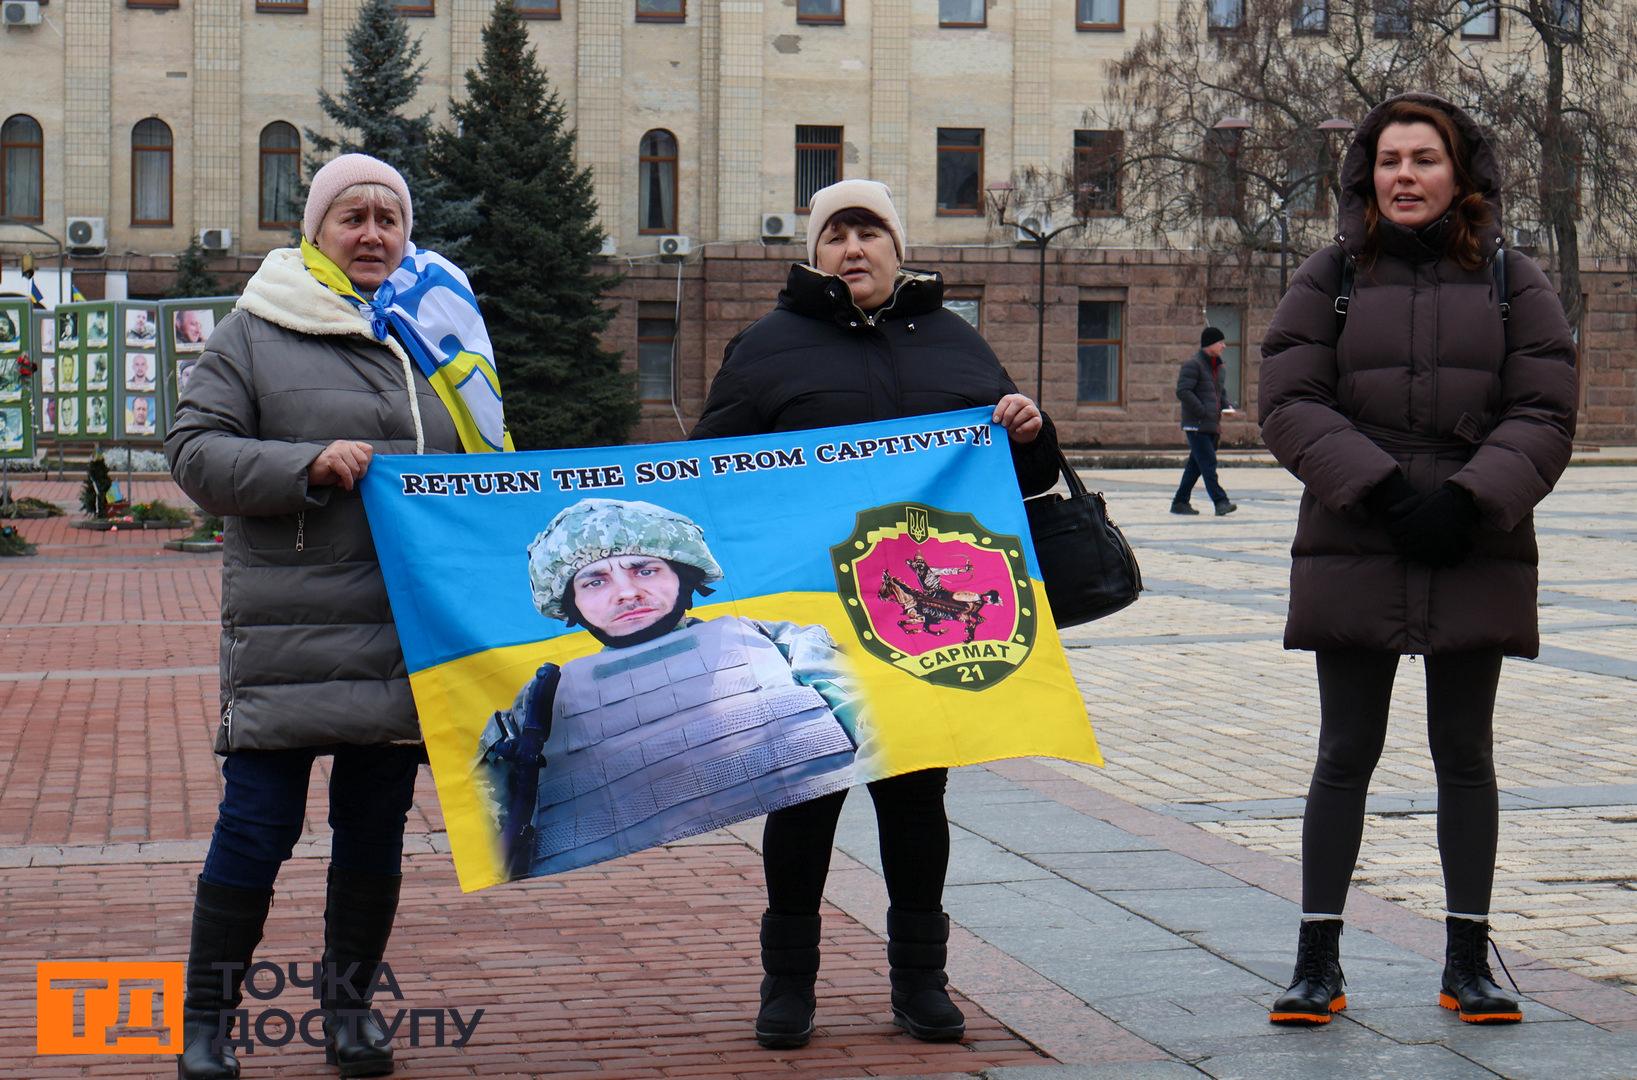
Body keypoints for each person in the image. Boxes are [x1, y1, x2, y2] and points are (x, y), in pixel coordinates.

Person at [690, 178, 1060, 1049]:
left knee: (915, 800)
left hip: (922, 623)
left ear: (898, 247)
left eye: (869, 233)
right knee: (804, 796)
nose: (852, 250)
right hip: (806, 621)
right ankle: (787, 984)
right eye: (835, 236)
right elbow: (710, 474)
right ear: (811, 252)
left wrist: (1027, 430)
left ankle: (919, 981)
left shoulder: (955, 342)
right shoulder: (766, 347)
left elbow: (1030, 477)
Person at [1259, 93, 1577, 1027]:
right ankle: (1316, 961)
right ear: (1367, 177)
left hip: (1472, 539)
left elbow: (1545, 408)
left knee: (1464, 756)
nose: (1405, 175)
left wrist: (1473, 497)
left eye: (1424, 159)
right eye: (1389, 160)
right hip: (1357, 531)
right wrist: (1387, 490)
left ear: (1459, 174)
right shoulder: (1329, 275)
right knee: (1343, 753)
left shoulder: (1517, 281)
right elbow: (1288, 398)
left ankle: (1466, 963)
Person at [166, 153, 475, 1080]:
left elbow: (480, 461)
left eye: (390, 217)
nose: (373, 232)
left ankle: (349, 1016)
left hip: (399, 632)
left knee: (376, 829)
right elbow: (192, 453)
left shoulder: (437, 339)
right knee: (255, 828)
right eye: (354, 216)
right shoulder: (257, 330)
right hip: (290, 634)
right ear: (315, 231)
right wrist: (303, 465)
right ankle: (205, 1025)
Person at [477, 499, 861, 881]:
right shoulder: (543, 698)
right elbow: (486, 815)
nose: (627, 593)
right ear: (570, 601)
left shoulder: (779, 645)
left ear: (684, 575)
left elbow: (881, 732)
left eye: (644, 570)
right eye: (595, 581)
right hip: (614, 890)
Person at [1171, 327, 1237, 515]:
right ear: (1210, 344)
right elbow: (1183, 391)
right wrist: (1202, 410)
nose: (1224, 346)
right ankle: (1220, 502)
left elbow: (1218, 392)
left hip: (1211, 424)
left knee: (1195, 466)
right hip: (1197, 425)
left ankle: (1180, 502)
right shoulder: (1193, 365)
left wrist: (1226, 406)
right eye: (1220, 342)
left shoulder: (1216, 366)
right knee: (1208, 463)